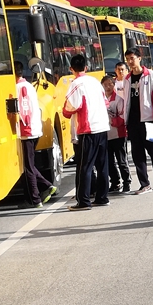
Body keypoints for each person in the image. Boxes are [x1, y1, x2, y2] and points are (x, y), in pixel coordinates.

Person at [63, 54, 110, 210]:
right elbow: (106, 102)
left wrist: (66, 111)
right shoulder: (95, 82)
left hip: (88, 129)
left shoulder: (76, 84)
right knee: (102, 165)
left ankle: (83, 201)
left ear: (71, 69)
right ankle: (102, 197)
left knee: (85, 166)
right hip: (102, 126)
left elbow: (71, 107)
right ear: (86, 67)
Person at [122, 47, 153, 194]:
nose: (129, 62)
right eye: (127, 59)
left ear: (139, 58)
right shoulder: (127, 79)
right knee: (137, 153)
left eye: (132, 58)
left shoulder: (150, 75)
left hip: (148, 119)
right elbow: (126, 100)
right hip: (133, 120)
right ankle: (144, 183)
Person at [15, 62, 57, 208]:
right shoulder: (28, 86)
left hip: (27, 130)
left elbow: (23, 111)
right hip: (35, 129)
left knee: (28, 166)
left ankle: (36, 198)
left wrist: (23, 128)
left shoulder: (18, 88)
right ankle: (39, 192)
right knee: (29, 165)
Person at [102, 75, 131, 194]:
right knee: (109, 161)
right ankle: (115, 182)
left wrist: (111, 121)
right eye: (105, 85)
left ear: (114, 85)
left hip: (118, 135)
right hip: (105, 136)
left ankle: (127, 181)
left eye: (110, 84)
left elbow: (123, 118)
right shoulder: (101, 100)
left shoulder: (119, 100)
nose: (108, 87)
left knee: (121, 160)